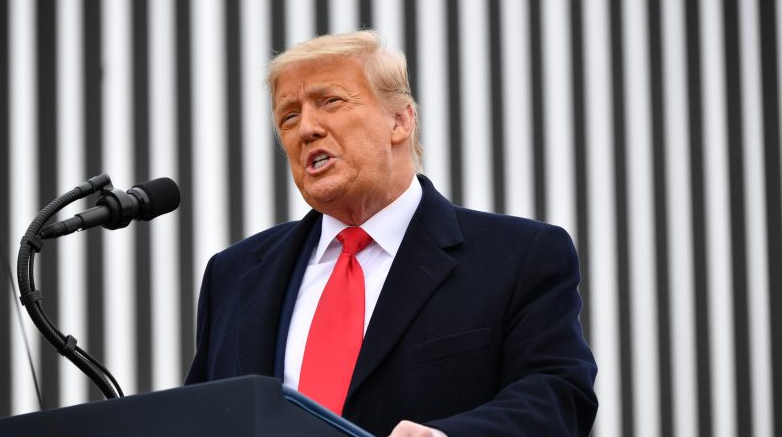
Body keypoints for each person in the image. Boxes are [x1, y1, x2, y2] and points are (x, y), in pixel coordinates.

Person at [185, 30, 597, 436]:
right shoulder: (232, 275)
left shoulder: (518, 257)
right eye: (288, 116)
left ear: (400, 120)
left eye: (330, 101)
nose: (306, 128)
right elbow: (200, 417)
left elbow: (558, 395)